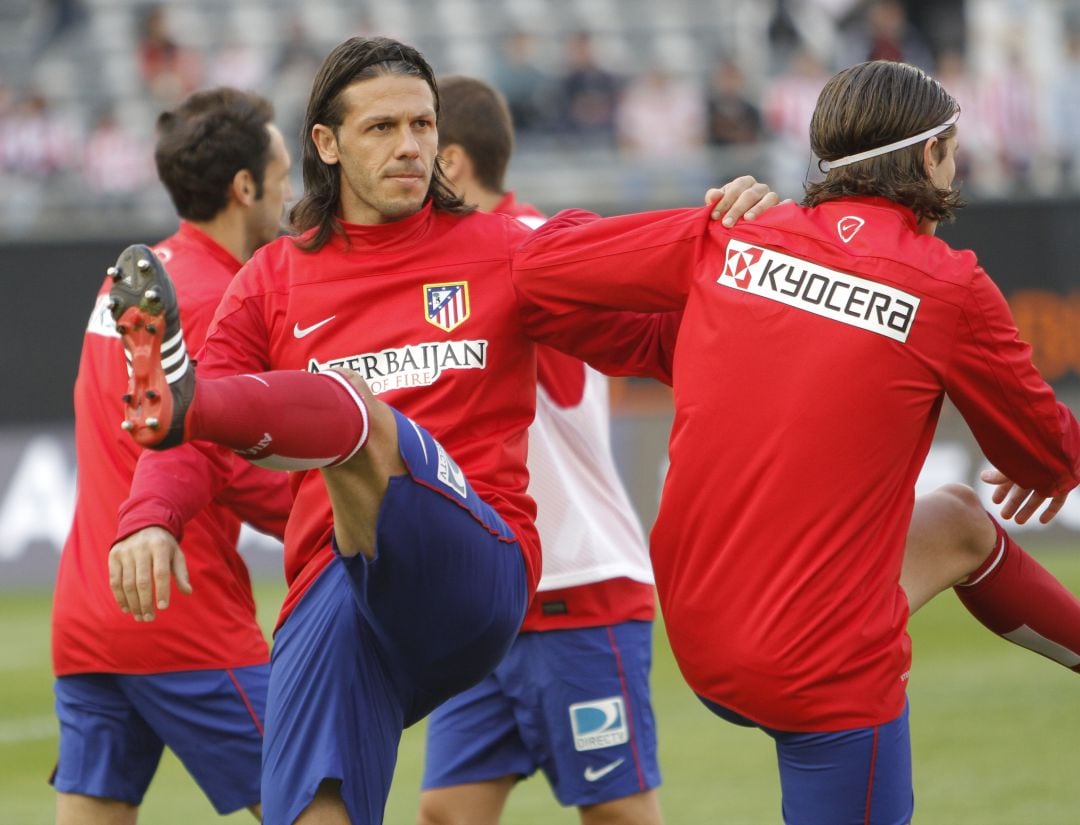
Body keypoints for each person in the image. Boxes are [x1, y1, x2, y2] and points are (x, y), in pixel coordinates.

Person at [101, 37, 779, 824]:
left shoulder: (504, 250)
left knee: (355, 416)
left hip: (478, 572)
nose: (411, 146)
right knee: (318, 810)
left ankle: (198, 399)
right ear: (325, 143)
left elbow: (655, 322)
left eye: (422, 124)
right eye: (382, 128)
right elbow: (191, 445)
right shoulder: (272, 280)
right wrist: (150, 517)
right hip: (341, 589)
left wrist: (736, 236)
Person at [511, 60, 1080, 823]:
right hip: (820, 667)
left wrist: (704, 228)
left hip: (702, 637)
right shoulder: (949, 288)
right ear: (926, 158)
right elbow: (1049, 459)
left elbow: (539, 267)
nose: (959, 164)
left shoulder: (732, 239)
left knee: (959, 522)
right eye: (952, 147)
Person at [418, 74, 662, 825]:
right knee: (446, 810)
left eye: (415, 139)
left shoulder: (530, 247)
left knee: (617, 812)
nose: (399, 162)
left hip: (577, 582)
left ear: (451, 162)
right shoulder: (447, 262)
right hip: (485, 599)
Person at [51, 87, 295, 824]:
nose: (290, 197)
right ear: (243, 187)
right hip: (180, 612)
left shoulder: (130, 279)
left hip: (90, 607)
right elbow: (231, 461)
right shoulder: (222, 297)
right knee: (319, 803)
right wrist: (354, 510)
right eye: (285, 178)